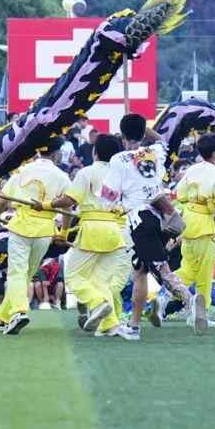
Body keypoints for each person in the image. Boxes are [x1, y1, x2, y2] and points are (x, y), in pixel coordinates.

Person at [100, 113, 200, 340]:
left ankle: (191, 301)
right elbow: (161, 141)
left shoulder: (118, 159)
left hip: (140, 221)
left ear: (122, 136)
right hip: (163, 217)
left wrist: (112, 207)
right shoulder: (154, 153)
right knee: (140, 272)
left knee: (161, 270)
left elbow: (108, 198)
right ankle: (134, 325)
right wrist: (143, 127)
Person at [51, 133, 133, 338]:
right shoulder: (122, 175)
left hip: (92, 228)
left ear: (95, 152)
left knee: (73, 277)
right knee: (101, 281)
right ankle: (110, 325)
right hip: (115, 230)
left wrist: (46, 205)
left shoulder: (86, 172)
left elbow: (69, 200)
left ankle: (97, 303)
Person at [0, 138, 72, 336]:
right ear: (56, 154)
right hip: (44, 230)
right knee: (25, 275)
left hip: (21, 226)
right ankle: (3, 318)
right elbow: (68, 207)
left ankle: (19, 312)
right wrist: (63, 233)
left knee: (17, 273)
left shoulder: (23, 170)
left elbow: (4, 199)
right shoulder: (62, 176)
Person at [176, 134, 215, 330]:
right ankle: (201, 315)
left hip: (187, 224)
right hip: (204, 226)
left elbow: (180, 195)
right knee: (205, 276)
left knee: (187, 270)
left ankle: (162, 297)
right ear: (214, 153)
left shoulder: (192, 169)